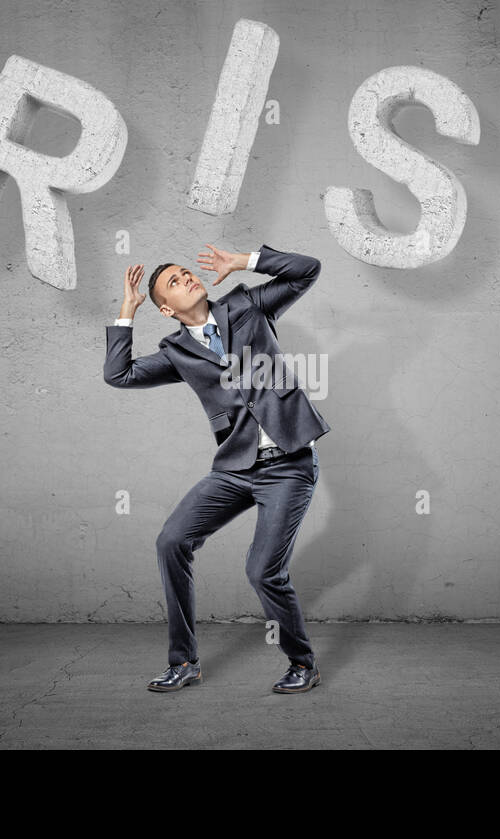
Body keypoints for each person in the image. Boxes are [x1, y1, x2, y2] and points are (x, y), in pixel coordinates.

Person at [103, 243, 330, 693]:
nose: (186, 277)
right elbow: (118, 374)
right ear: (166, 309)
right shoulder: (176, 352)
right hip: (235, 468)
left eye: (186, 271)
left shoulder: (247, 304)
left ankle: (302, 662)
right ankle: (183, 662)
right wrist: (127, 310)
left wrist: (244, 261)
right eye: (174, 281)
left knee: (263, 571)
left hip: (288, 466)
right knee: (172, 541)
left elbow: (308, 269)